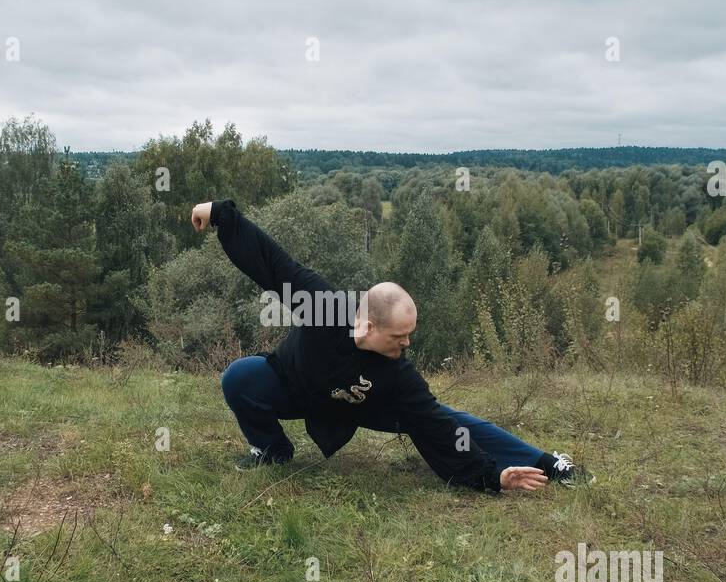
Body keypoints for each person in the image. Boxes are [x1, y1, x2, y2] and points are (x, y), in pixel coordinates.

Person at [191, 199, 594, 494]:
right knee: (240, 377)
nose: (407, 343)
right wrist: (222, 216)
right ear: (366, 324)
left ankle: (549, 463)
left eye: (409, 334)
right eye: (399, 336)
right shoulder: (324, 307)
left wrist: (491, 477)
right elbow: (274, 264)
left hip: (368, 403)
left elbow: (439, 431)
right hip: (296, 387)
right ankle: (271, 451)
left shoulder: (398, 371)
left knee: (449, 420)